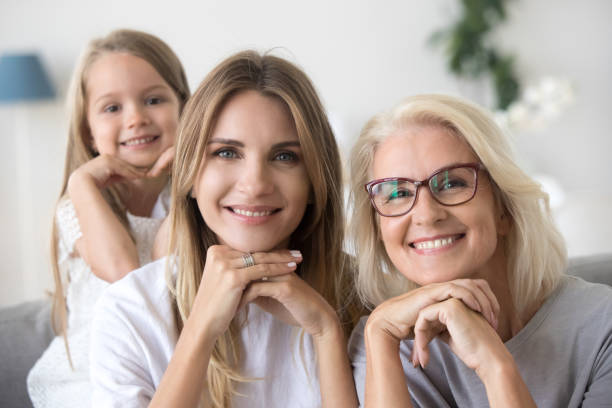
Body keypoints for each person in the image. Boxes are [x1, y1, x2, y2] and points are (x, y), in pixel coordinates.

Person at [90, 50, 362, 407]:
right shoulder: (129, 311)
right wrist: (200, 330)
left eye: (285, 157)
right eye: (226, 153)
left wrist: (327, 331)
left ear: (314, 182)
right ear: (188, 175)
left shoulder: (363, 295)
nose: (255, 184)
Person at [347, 94, 612, 407]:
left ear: (504, 209)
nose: (426, 214)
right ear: (377, 229)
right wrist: (379, 335)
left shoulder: (601, 328)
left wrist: (496, 368)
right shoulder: (383, 340)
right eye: (397, 192)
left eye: (452, 183)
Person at [26, 29, 190, 407]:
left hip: (174, 363)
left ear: (185, 106)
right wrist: (81, 181)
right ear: (88, 131)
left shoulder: (195, 195)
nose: (136, 119)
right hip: (97, 372)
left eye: (153, 99)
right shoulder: (77, 203)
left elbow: (167, 272)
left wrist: (188, 178)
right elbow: (126, 272)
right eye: (112, 108)